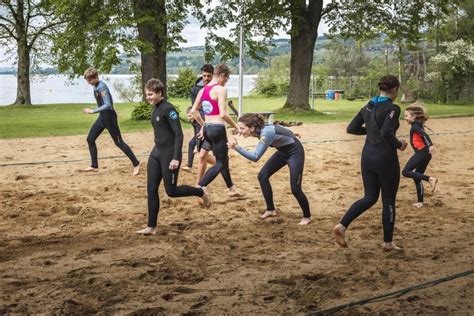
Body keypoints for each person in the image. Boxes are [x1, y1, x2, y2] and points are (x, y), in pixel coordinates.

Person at [333, 75, 407, 251]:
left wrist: (371, 131)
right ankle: (388, 242)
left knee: (369, 197)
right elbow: (388, 132)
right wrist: (400, 145)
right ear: (395, 89)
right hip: (385, 158)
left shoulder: (369, 105)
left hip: (367, 157)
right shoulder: (393, 108)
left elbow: (351, 128)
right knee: (388, 200)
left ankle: (342, 226)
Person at [136, 78, 211, 236]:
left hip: (170, 156)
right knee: (151, 190)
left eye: (150, 94)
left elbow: (179, 134)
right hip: (156, 153)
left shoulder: (168, 109)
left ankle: (200, 192)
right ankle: (151, 226)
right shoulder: (155, 108)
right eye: (147, 94)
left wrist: (176, 157)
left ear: (159, 93)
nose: (148, 97)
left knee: (171, 191)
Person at [228, 113, 312, 225]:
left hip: (295, 152)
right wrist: (291, 133)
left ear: (252, 128)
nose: (240, 130)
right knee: (262, 176)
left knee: (295, 188)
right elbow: (277, 127)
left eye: (242, 128)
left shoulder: (266, 133)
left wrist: (236, 148)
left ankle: (307, 216)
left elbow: (255, 157)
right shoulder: (260, 129)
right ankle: (271, 210)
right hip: (282, 152)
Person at [190, 64, 241, 196]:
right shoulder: (220, 90)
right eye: (226, 79)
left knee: (221, 159)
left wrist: (203, 125)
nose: (225, 82)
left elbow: (193, 111)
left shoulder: (202, 90)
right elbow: (223, 114)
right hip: (218, 129)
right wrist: (236, 126)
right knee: (220, 162)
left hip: (207, 129)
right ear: (222, 75)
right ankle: (200, 187)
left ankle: (231, 189)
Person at [81, 67, 140, 175]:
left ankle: (136, 163)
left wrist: (92, 111)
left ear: (96, 77)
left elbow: (107, 104)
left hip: (110, 119)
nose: (88, 82)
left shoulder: (102, 87)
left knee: (119, 142)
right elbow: (107, 101)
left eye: (90, 80)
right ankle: (94, 166)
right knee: (90, 139)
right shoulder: (96, 86)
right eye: (87, 80)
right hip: (102, 118)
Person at [402, 103, 438, 208]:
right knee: (417, 176)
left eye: (406, 116)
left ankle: (430, 179)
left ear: (413, 116)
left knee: (405, 171)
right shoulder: (417, 124)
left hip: (422, 152)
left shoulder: (415, 126)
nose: (405, 118)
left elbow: (424, 135)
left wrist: (430, 145)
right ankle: (420, 202)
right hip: (426, 153)